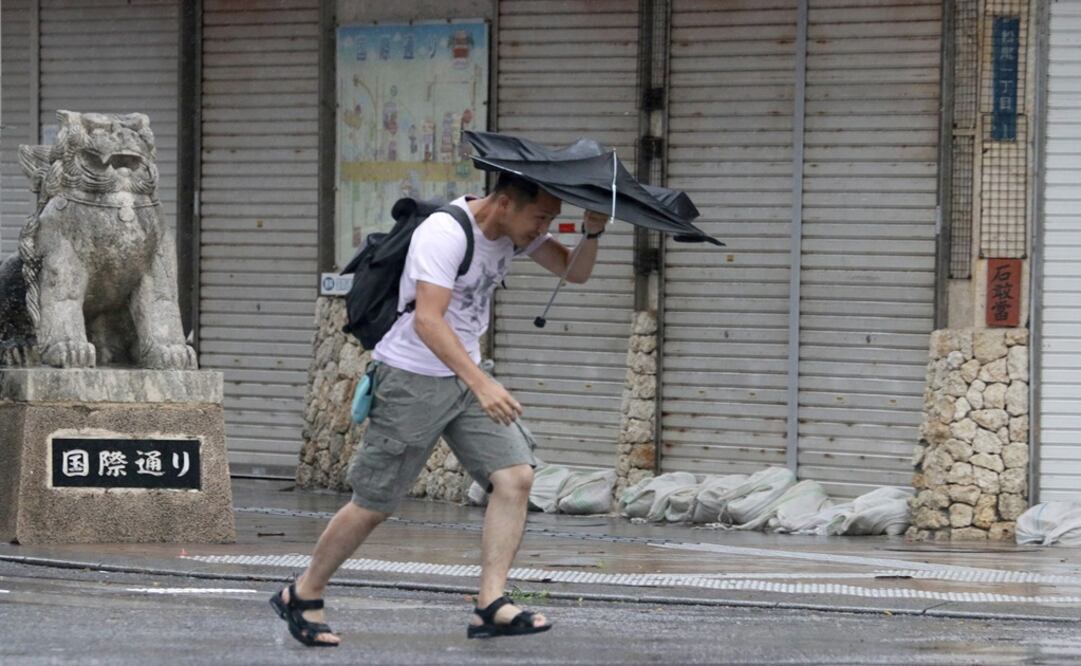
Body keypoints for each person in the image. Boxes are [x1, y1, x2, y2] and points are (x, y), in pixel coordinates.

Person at [271, 172, 608, 646]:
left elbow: (575, 271)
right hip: (412, 380)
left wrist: (593, 233)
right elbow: (429, 320)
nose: (545, 227)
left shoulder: (515, 233)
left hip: (464, 376)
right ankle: (303, 592)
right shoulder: (445, 233)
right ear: (506, 203)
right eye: (541, 217)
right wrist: (483, 384)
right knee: (373, 503)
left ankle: (490, 603)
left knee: (515, 477)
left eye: (551, 219)